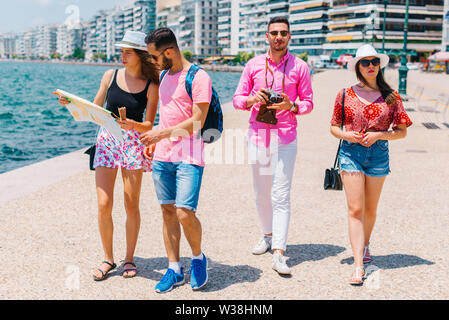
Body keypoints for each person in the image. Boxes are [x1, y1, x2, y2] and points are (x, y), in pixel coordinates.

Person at [58, 31, 159, 281]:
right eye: (122, 51)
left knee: (131, 203)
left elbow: (149, 124)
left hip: (133, 144)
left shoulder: (151, 84)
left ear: (140, 55)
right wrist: (70, 102)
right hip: (106, 142)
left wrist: (132, 125)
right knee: (104, 204)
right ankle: (108, 258)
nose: (122, 56)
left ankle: (129, 258)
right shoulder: (109, 76)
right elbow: (93, 109)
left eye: (128, 52)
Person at [233, 16, 313, 275]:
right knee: (260, 193)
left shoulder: (300, 67)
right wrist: (252, 99)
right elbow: (236, 99)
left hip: (286, 137)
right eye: (274, 33)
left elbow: (309, 102)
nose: (279, 37)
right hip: (258, 135)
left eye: (284, 33)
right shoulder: (253, 65)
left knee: (281, 195)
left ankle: (279, 251)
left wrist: (293, 105)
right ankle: (267, 236)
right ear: (267, 36)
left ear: (289, 37)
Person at [330, 44, 412, 285]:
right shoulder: (345, 94)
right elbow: (334, 127)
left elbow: (402, 132)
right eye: (365, 62)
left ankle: (365, 245)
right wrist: (348, 135)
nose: (370, 66)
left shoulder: (391, 96)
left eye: (374, 61)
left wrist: (379, 135)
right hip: (350, 154)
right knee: (355, 209)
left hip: (378, 154)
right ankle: (358, 265)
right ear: (357, 66)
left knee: (370, 210)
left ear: (379, 65)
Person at [140, 27, 211, 293]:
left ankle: (197, 258)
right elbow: (167, 115)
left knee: (184, 211)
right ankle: (174, 268)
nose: (153, 61)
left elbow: (196, 123)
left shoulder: (199, 77)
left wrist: (160, 134)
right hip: (163, 156)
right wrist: (156, 140)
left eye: (154, 56)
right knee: (167, 211)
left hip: (189, 155)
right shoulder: (163, 76)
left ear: (168, 52)